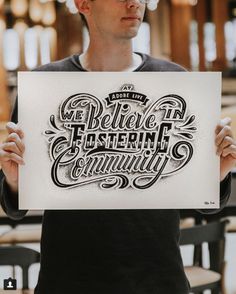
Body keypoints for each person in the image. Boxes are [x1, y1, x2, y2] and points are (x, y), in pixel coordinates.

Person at [0, 0, 235, 293]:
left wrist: (217, 174)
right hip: (68, 279)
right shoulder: (43, 86)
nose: (134, 2)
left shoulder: (176, 81)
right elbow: (16, 207)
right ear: (83, 4)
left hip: (158, 278)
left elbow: (205, 205)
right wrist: (13, 181)